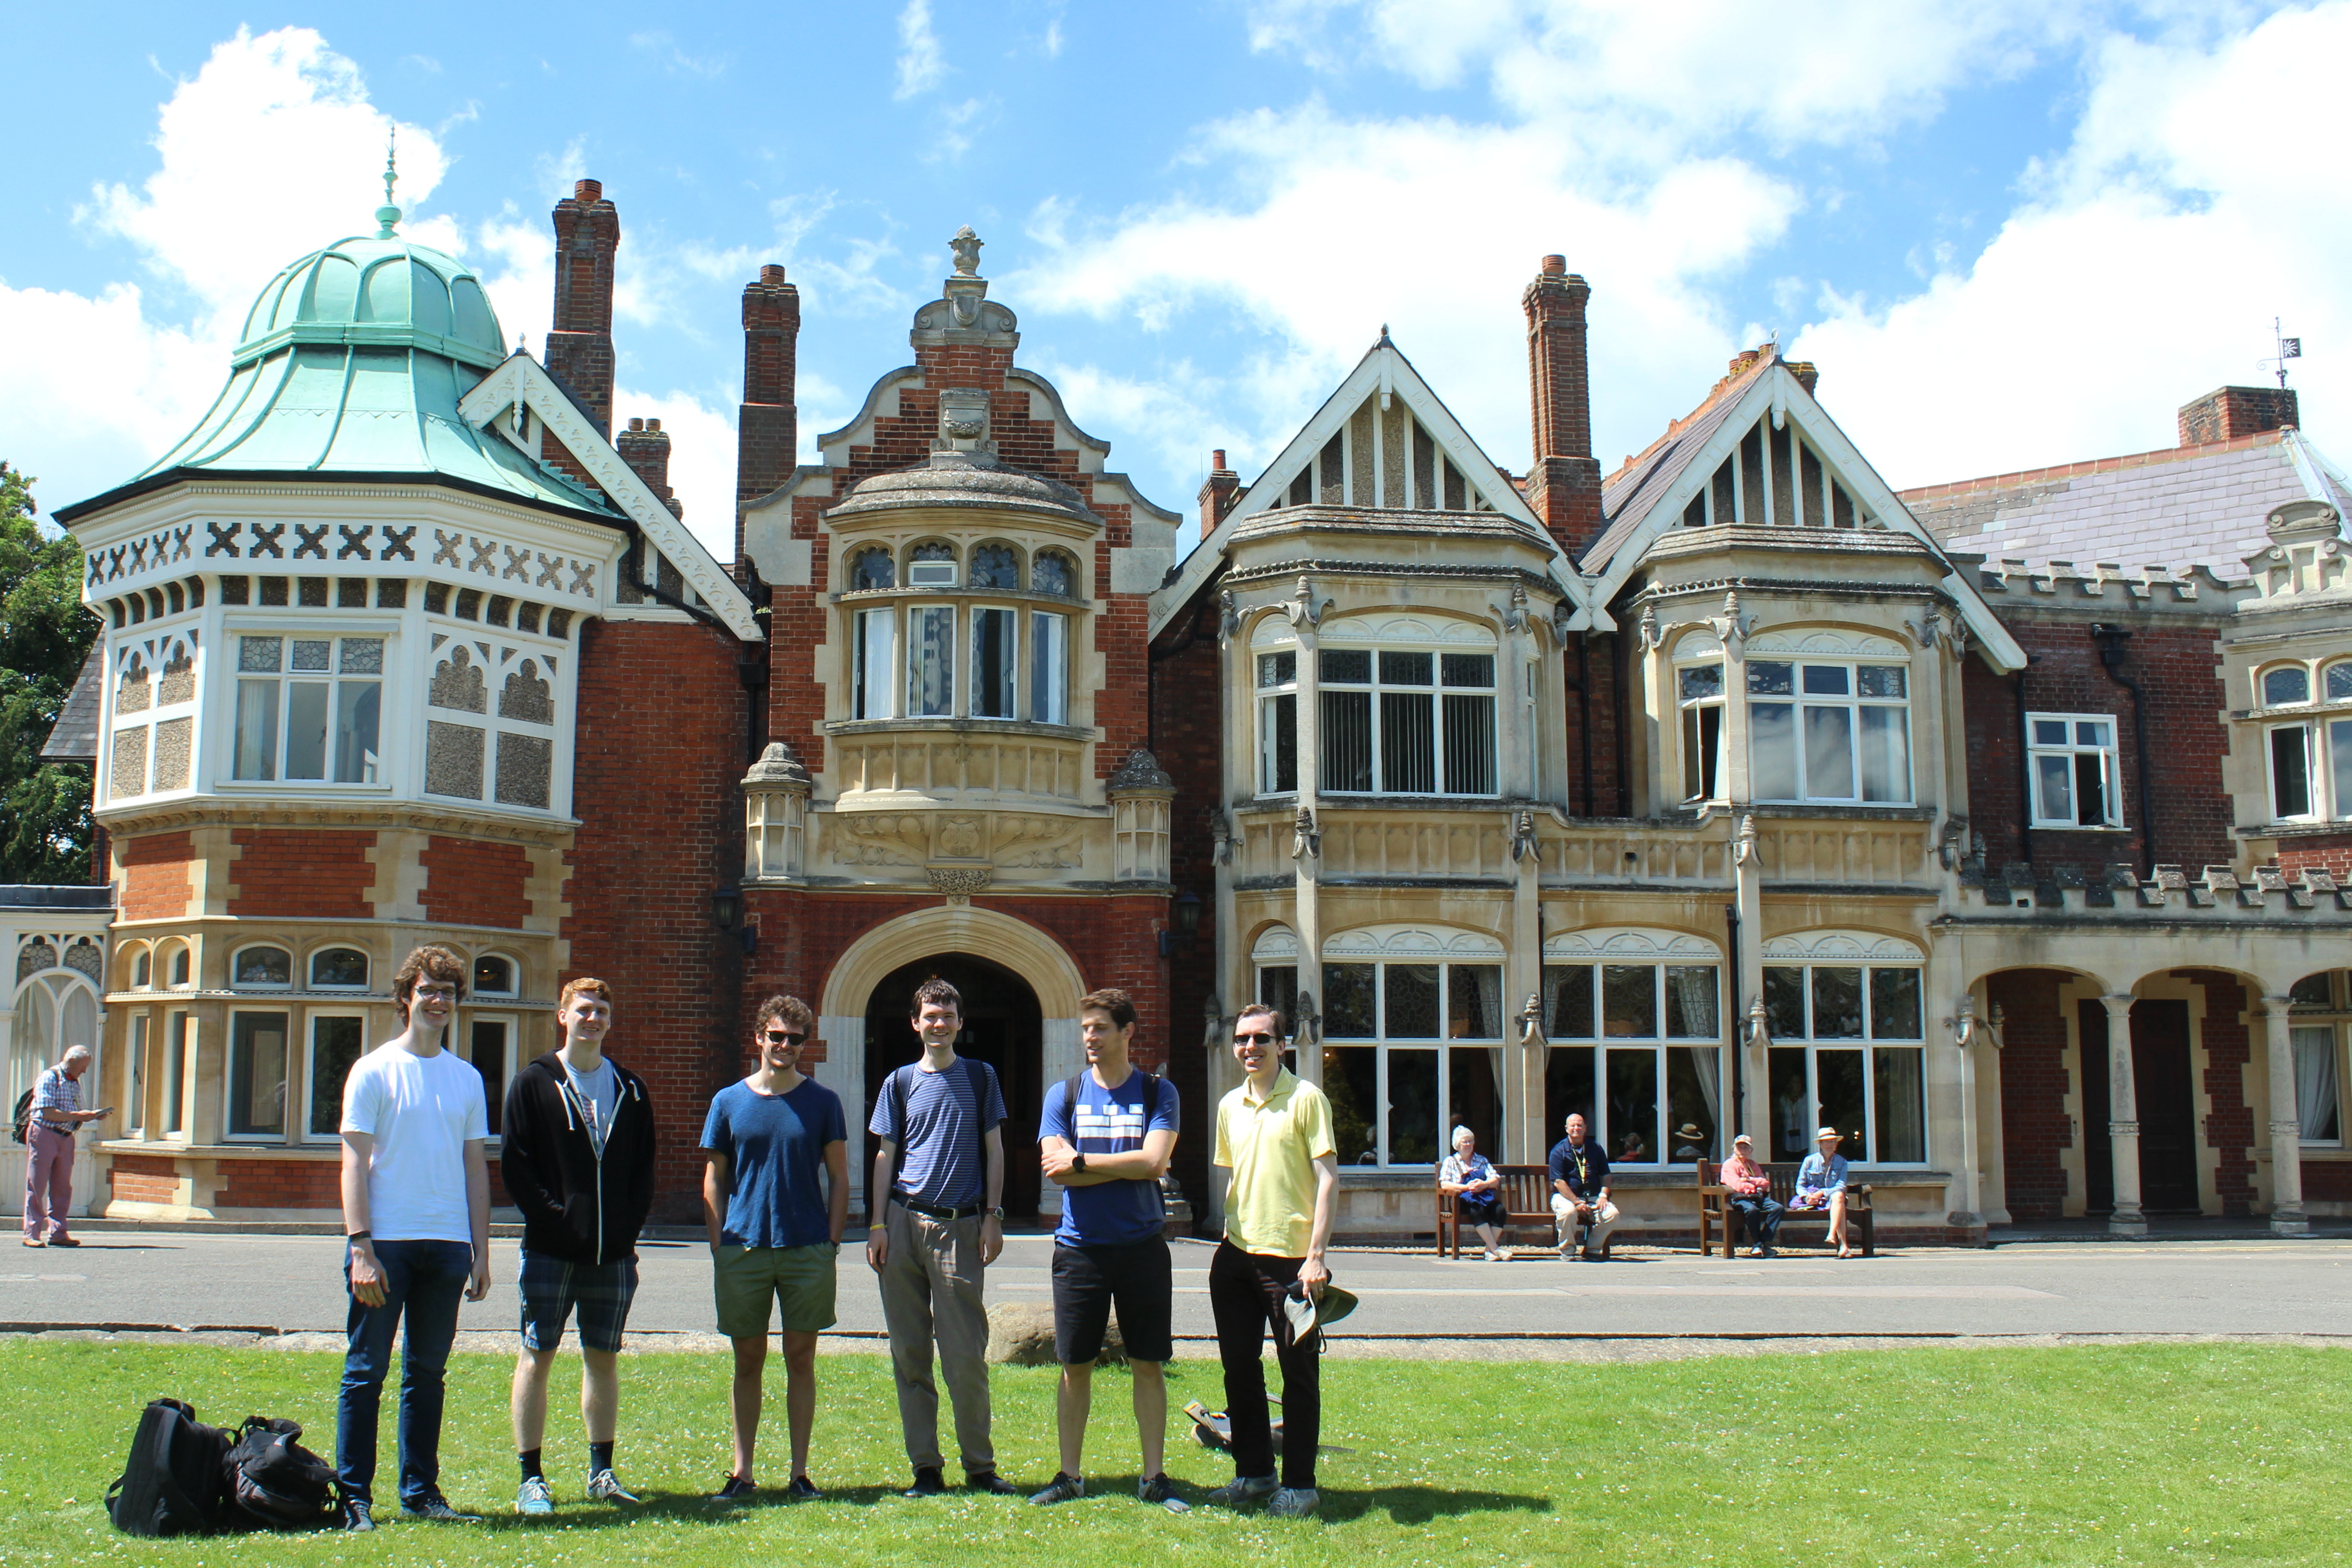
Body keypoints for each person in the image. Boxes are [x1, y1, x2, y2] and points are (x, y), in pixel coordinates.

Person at [336, 945, 492, 1531]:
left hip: (447, 1246)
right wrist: (360, 1246)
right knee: (365, 1373)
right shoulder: (373, 1069)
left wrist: (481, 1251)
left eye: (449, 993)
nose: (438, 1001)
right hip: (386, 1245)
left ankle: (420, 1493)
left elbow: (476, 1168)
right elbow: (352, 1162)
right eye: (428, 990)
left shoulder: (466, 1078)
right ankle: (354, 1498)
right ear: (406, 997)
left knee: (427, 1375)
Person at [501, 976, 658, 1516]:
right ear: (562, 1016)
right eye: (584, 1009)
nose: (593, 1019)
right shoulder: (534, 1083)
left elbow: (643, 1171)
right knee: (537, 1354)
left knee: (603, 1359)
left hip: (613, 1254)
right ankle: (531, 1479)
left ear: (611, 1021)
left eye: (602, 1011)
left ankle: (602, 1472)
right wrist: (557, 1224)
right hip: (550, 1249)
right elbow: (517, 1169)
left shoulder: (630, 1089)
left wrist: (624, 1230)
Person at [1029, 988, 1182, 1508]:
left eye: (1100, 1028)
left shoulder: (1158, 1093)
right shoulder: (1065, 1094)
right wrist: (1114, 1164)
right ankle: (1069, 1476)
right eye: (1086, 1029)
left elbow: (1154, 1164)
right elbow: (1054, 1167)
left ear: (1127, 1032)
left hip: (1141, 1246)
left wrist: (1081, 1165)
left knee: (1147, 1362)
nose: (1090, 1038)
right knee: (1075, 1366)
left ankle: (1153, 1477)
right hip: (1080, 1249)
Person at [867, 978, 1019, 1498]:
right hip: (903, 1223)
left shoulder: (981, 1077)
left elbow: (995, 1149)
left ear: (960, 1023)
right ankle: (925, 1469)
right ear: (915, 1024)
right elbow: (886, 1155)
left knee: (964, 1355)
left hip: (960, 1227)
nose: (939, 1024)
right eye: (930, 1016)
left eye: (947, 1016)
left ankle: (980, 1466)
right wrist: (877, 1225)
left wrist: (994, 1216)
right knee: (910, 1356)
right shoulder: (900, 1082)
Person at [703, 995, 850, 1502]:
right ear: (760, 1038)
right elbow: (714, 1178)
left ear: (805, 1046)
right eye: (777, 1036)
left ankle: (800, 1473)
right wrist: (718, 1242)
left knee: (801, 1358)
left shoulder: (823, 1102)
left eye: (795, 1039)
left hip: (807, 1247)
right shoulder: (728, 1101)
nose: (785, 1046)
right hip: (742, 1248)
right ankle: (742, 1472)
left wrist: (831, 1242)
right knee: (747, 1359)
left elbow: (839, 1176)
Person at [1206, 1002, 1337, 1519]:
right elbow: (1236, 1173)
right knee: (1239, 1371)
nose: (1250, 1048)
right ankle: (1255, 1474)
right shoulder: (1229, 1105)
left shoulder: (1307, 1099)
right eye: (1242, 1039)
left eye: (1262, 1039)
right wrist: (1228, 1230)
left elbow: (1328, 1178)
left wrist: (1316, 1258)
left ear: (1283, 1045)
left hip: (1292, 1265)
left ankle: (1300, 1487)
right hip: (1236, 1258)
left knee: (1297, 1375)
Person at [23, 1044, 104, 1247]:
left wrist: (90, 1116)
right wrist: (80, 1116)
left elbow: (71, 1111)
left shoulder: (73, 1082)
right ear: (71, 1061)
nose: (84, 1071)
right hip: (45, 1133)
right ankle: (31, 1233)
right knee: (37, 1184)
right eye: (82, 1067)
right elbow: (47, 1111)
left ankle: (58, 1233)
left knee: (62, 1187)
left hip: (67, 1136)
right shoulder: (50, 1077)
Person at [1548, 1113, 1617, 1260]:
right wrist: (1577, 1202)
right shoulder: (1558, 1151)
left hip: (1593, 1197)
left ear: (1585, 1128)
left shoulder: (1595, 1148)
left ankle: (1592, 1249)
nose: (1576, 1128)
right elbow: (1558, 1182)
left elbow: (1606, 1176)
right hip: (1566, 1198)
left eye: (1580, 1125)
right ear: (1567, 1129)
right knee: (1568, 1212)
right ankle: (1567, 1251)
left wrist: (1603, 1196)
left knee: (1612, 1214)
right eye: (1573, 1125)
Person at [1438, 1128, 1510, 1261]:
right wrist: (1466, 1187)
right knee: (1477, 1210)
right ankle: (1495, 1249)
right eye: (1465, 1142)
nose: (1468, 1145)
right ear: (1457, 1145)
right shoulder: (1450, 1161)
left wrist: (1485, 1184)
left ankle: (1489, 1251)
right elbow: (1444, 1185)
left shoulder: (1481, 1160)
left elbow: (1495, 1178)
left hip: (1484, 1197)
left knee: (1500, 1210)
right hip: (1462, 1200)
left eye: (1471, 1141)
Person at [1792, 1126, 1856, 1258]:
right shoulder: (1809, 1160)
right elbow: (1800, 1184)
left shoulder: (1842, 1162)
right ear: (1820, 1144)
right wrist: (1806, 1197)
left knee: (1839, 1196)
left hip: (1831, 1199)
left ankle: (1832, 1235)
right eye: (1826, 1142)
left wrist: (1823, 1192)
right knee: (1840, 1204)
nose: (1829, 1145)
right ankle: (1844, 1245)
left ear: (1836, 1144)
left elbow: (1841, 1185)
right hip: (1811, 1201)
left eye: (1832, 1141)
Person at [1718, 1132, 1782, 1257]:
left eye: (1746, 1148)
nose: (1743, 1150)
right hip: (1738, 1198)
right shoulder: (1729, 1165)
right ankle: (1759, 1244)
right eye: (1740, 1147)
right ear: (1734, 1149)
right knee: (1752, 1210)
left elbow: (1765, 1184)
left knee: (1778, 1208)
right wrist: (1754, 1185)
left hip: (1756, 1197)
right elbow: (1736, 1186)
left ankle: (1760, 1244)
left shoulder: (1752, 1165)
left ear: (1751, 1150)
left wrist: (1749, 1181)